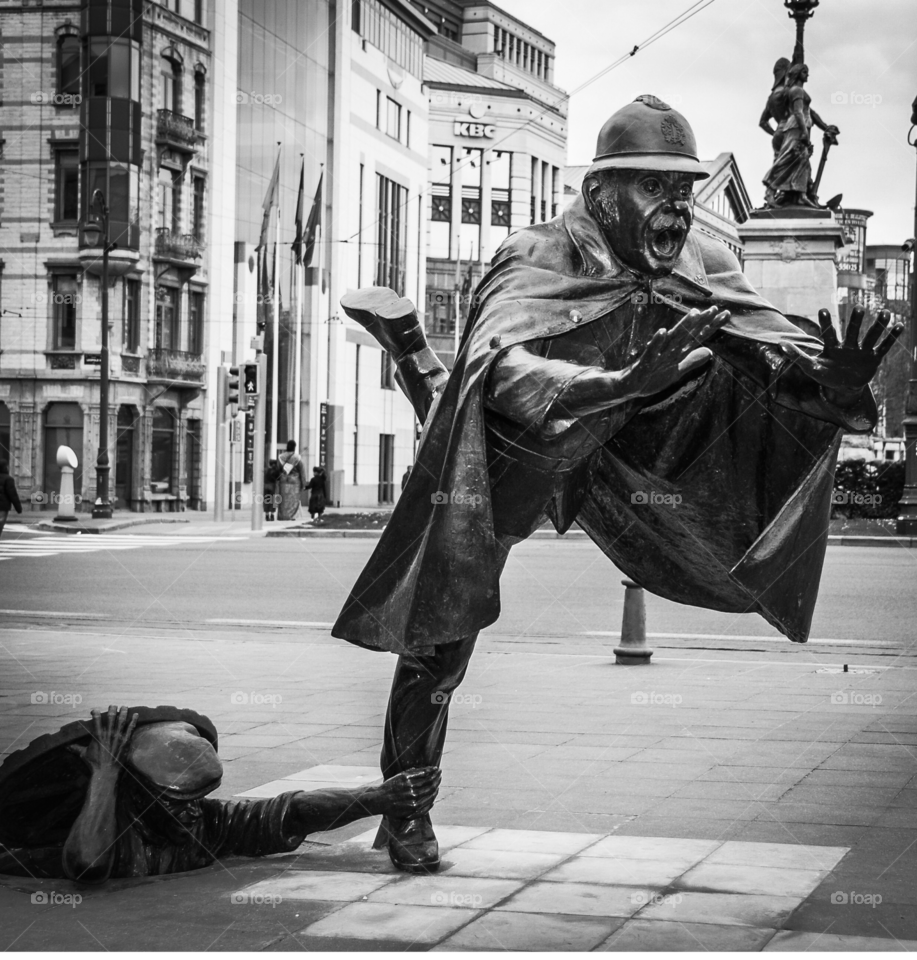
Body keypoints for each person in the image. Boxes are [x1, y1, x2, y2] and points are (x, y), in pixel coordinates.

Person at [332, 95, 901, 874]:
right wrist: (622, 379)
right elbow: (501, 372)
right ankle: (405, 810)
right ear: (601, 191)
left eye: (682, 190)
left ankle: (415, 356)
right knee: (443, 629)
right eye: (652, 188)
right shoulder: (536, 255)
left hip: (628, 448)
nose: (673, 208)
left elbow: (778, 354)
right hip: (527, 438)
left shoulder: (702, 261)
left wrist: (832, 382)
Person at [36, 706, 438, 882]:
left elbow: (291, 813)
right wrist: (105, 773)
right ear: (137, 796)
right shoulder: (116, 833)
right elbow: (87, 866)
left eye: (197, 799)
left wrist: (378, 799)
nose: (192, 812)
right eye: (176, 804)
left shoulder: (205, 827)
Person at [759, 61, 838, 208]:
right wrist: (807, 132)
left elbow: (762, 122)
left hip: (784, 131)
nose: (807, 74)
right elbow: (801, 112)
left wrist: (775, 133)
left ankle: (801, 195)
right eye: (804, 71)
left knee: (802, 163)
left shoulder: (774, 97)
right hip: (795, 129)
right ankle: (772, 190)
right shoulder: (795, 91)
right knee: (786, 161)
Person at [276, 440, 305, 520]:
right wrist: (303, 484)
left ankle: (282, 516)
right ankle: (292, 516)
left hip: (283, 481)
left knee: (283, 501)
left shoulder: (280, 457)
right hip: (295, 482)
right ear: (294, 447)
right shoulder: (297, 458)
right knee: (294, 499)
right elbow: (302, 471)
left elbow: (278, 470)